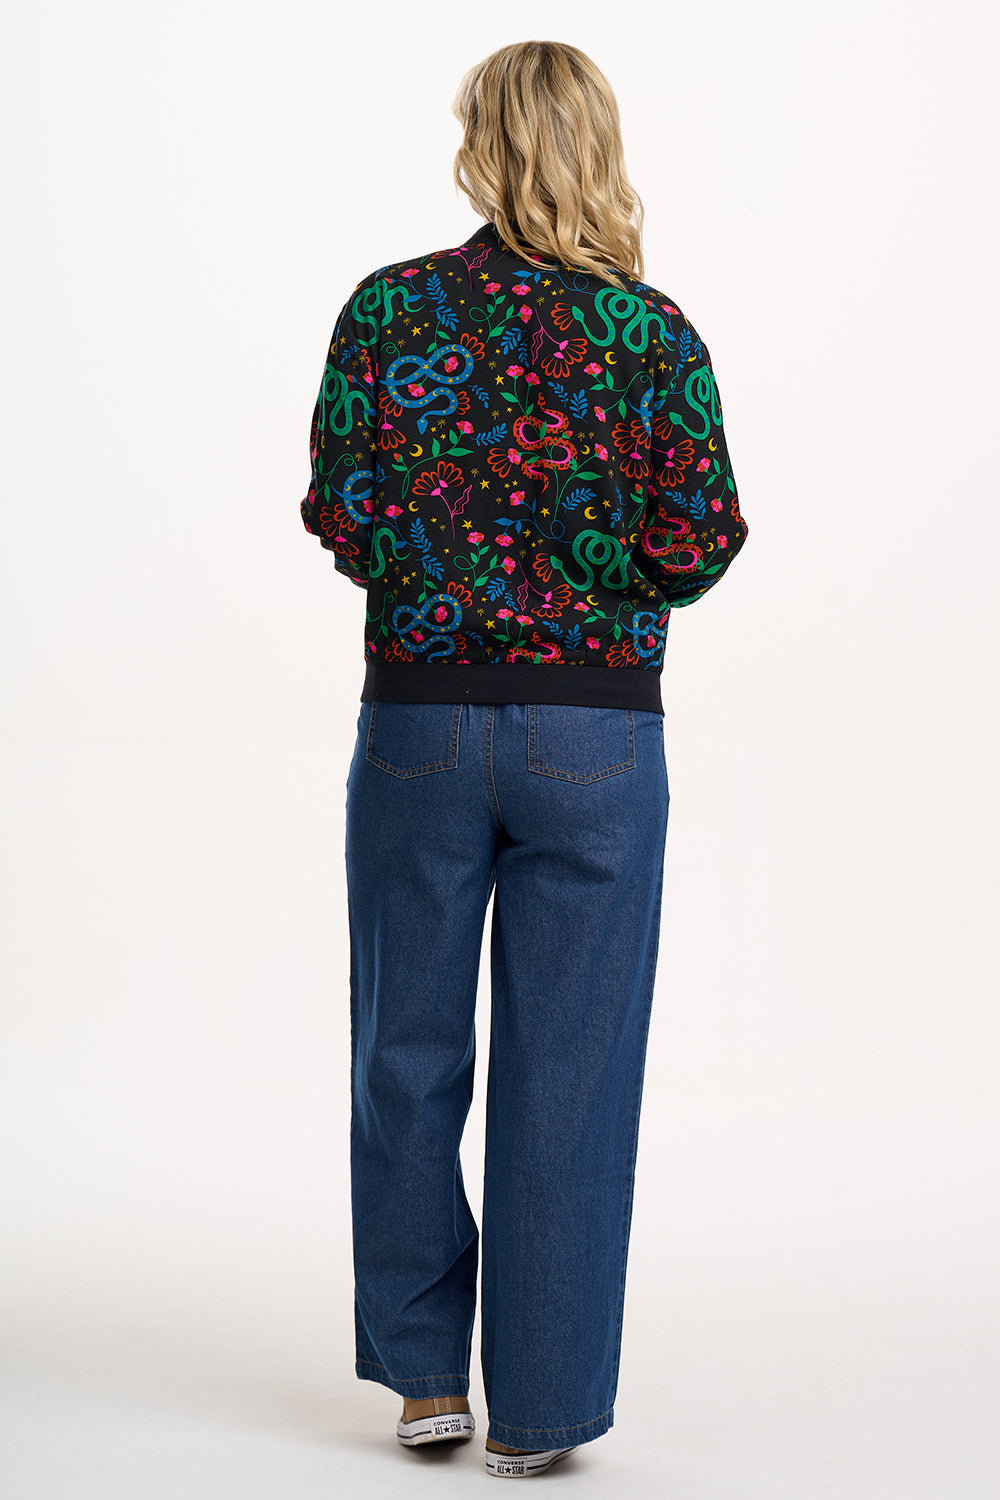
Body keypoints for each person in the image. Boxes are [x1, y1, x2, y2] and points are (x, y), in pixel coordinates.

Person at [299, 39, 749, 1480]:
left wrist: (447, 583)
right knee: (572, 1073)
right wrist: (594, 589)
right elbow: (703, 538)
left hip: (422, 720)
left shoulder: (389, 308)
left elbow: (343, 510)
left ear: (478, 145)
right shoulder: (654, 336)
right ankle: (544, 1415)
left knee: (407, 1057)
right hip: (598, 739)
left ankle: (428, 1376)